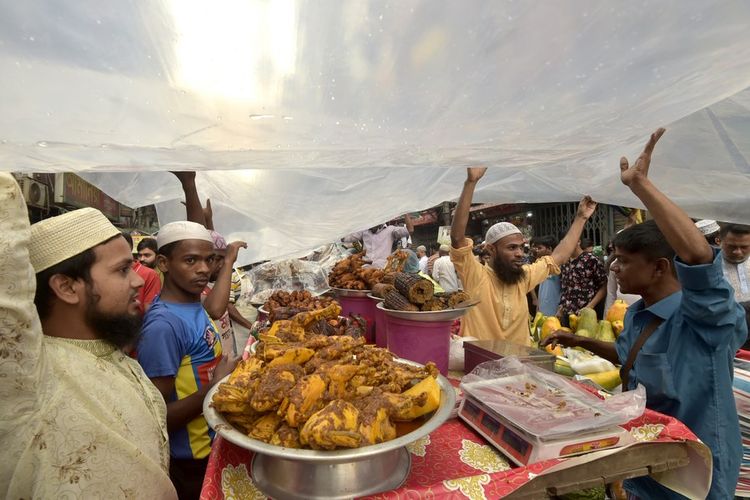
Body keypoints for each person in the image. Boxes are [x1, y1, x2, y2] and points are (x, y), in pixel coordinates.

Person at [543, 128, 746, 499]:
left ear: (660, 268)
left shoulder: (704, 319)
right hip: (648, 463)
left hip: (696, 474)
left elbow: (700, 259)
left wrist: (640, 186)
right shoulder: (637, 315)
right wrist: (577, 340)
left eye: (623, 261)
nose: (615, 269)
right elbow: (629, 358)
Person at [0, 174, 176, 498]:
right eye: (123, 270)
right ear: (67, 287)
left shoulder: (118, 356)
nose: (139, 282)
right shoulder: (28, 378)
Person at [136, 221, 242, 499]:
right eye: (191, 260)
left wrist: (228, 260)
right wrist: (216, 386)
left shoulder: (192, 303)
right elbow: (155, 419)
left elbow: (215, 308)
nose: (204, 269)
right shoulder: (163, 326)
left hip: (212, 442)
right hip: (190, 461)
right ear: (163, 263)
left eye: (209, 260)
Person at [450, 167, 597, 344]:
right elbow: (458, 239)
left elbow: (559, 256)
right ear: (490, 250)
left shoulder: (523, 277)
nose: (520, 253)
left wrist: (581, 218)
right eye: (511, 248)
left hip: (519, 365)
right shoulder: (475, 276)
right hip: (480, 365)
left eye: (522, 247)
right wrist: (471, 183)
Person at [558, 237, 607, 323]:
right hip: (567, 316)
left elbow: (604, 286)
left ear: (578, 241)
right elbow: (565, 288)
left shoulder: (591, 260)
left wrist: (590, 306)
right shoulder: (564, 262)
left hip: (588, 315)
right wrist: (561, 309)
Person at [342, 214, 415, 268]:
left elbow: (410, 230)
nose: (370, 226)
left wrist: (406, 212)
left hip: (382, 269)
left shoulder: (390, 230)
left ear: (380, 222)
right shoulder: (364, 231)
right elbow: (344, 238)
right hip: (364, 268)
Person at [124, 232, 161, 313]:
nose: (142, 259)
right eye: (140, 255)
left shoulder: (156, 275)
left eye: (147, 255)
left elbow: (150, 310)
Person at [717, 223, 750, 303]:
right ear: (719, 241)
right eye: (731, 246)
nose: (738, 252)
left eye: (744, 247)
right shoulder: (711, 266)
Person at [530, 235, 561, 316]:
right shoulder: (540, 264)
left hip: (555, 307)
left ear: (550, 249)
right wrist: (537, 302)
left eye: (540, 248)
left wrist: (561, 307)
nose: (537, 251)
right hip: (542, 306)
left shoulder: (559, 265)